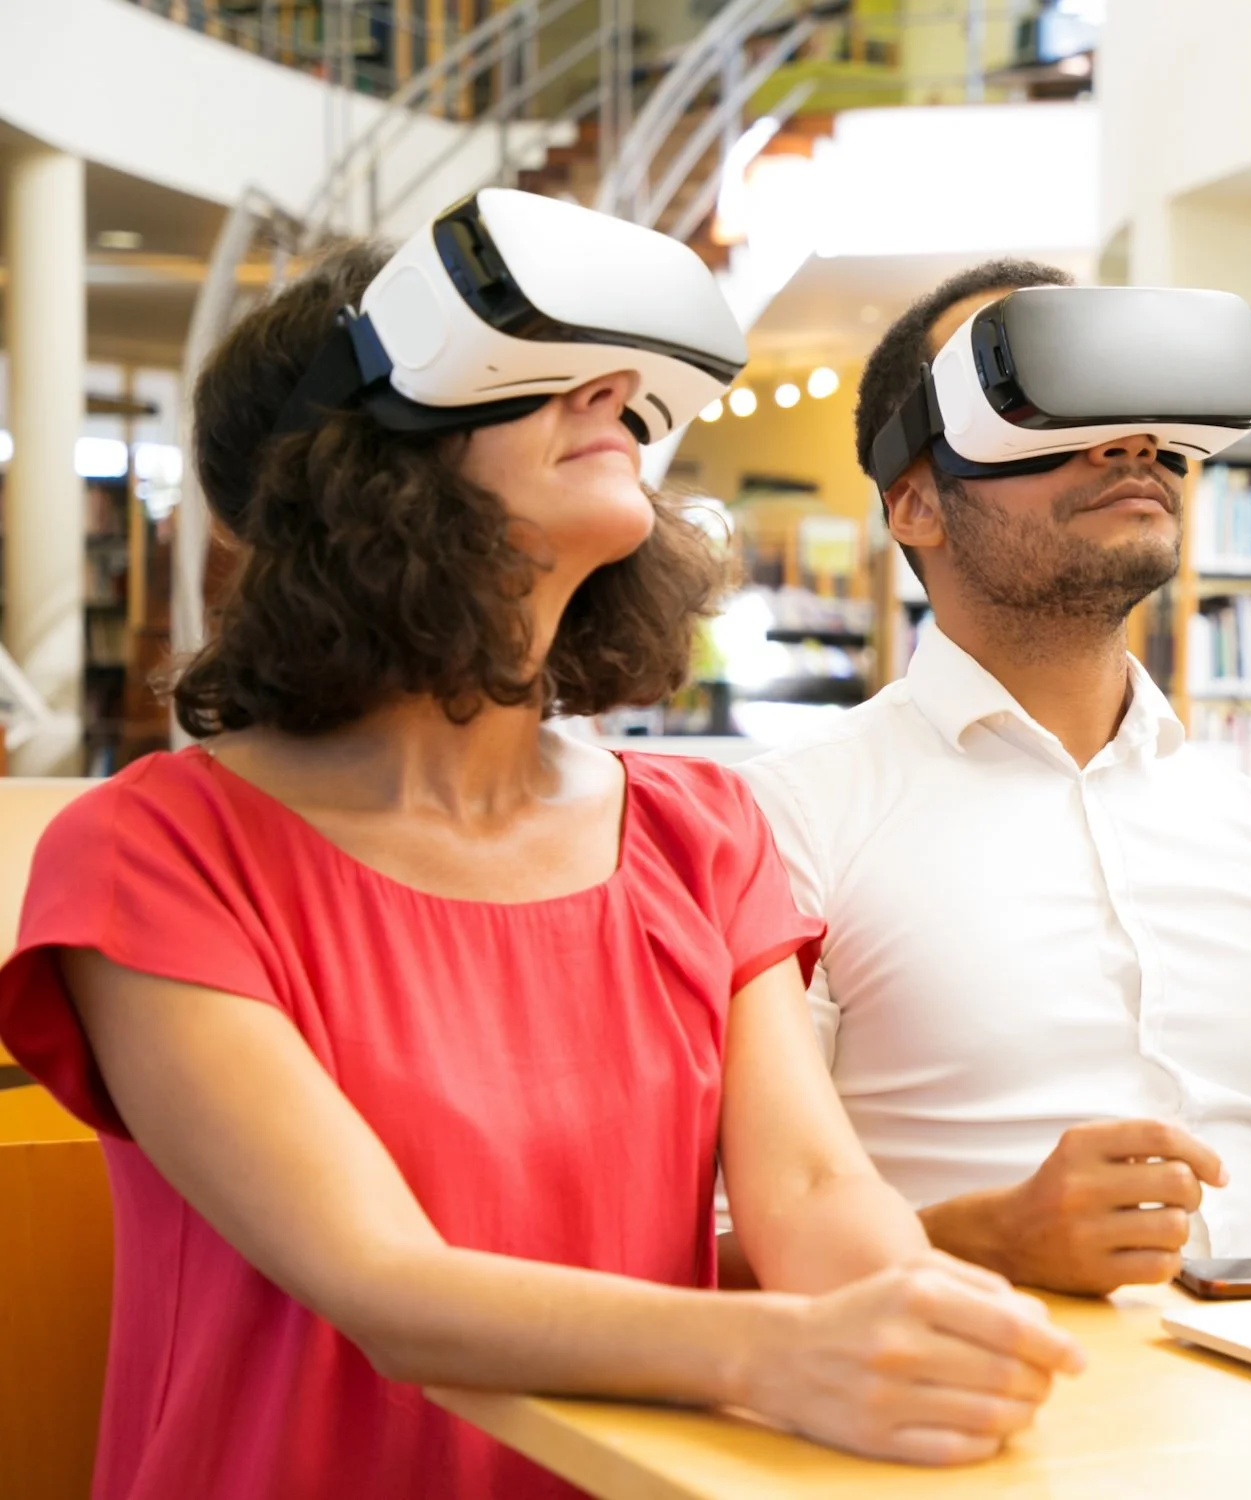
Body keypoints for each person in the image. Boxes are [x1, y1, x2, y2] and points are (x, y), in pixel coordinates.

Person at [0, 244, 1080, 1500]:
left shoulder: (698, 832)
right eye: (525, 367)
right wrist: (782, 1352)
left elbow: (814, 1188)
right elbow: (383, 1285)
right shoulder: (159, 853)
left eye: (613, 378)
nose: (610, 392)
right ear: (353, 463)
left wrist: (926, 1324)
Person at [738, 260, 1251, 1298]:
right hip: (959, 1423)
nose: (1130, 440)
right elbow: (707, 1245)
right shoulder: (785, 823)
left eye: (1139, 405)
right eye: (1042, 393)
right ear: (914, 502)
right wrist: (978, 1238)